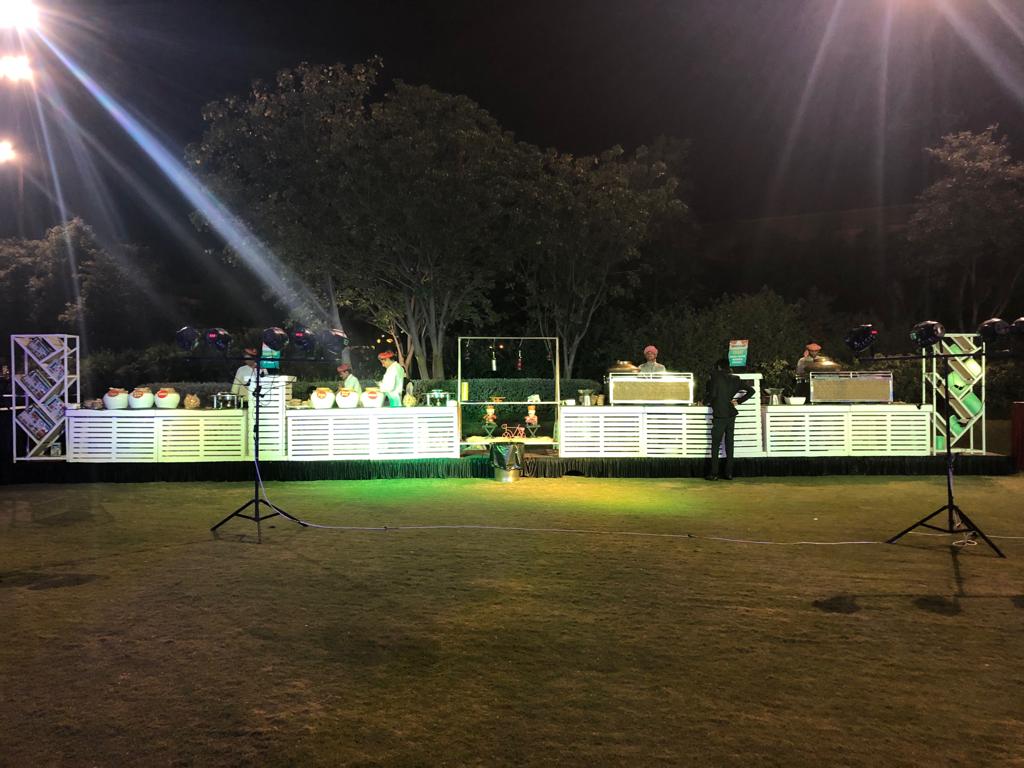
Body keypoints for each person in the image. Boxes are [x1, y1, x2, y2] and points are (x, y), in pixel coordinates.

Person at [704, 358, 754, 481]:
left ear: (718, 367)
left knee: (715, 445)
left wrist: (705, 402)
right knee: (729, 444)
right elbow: (751, 391)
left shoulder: (715, 377)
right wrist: (738, 401)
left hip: (719, 415)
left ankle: (714, 473)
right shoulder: (735, 379)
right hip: (731, 414)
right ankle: (729, 473)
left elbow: (713, 395)